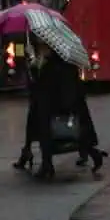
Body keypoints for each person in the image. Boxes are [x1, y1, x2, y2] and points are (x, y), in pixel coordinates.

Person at [14, 37, 103, 178]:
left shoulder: (54, 64)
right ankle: (91, 153)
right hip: (63, 105)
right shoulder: (58, 61)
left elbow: (45, 86)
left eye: (44, 46)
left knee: (46, 130)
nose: (42, 49)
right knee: (71, 134)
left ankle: (46, 164)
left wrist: (36, 67)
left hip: (58, 106)